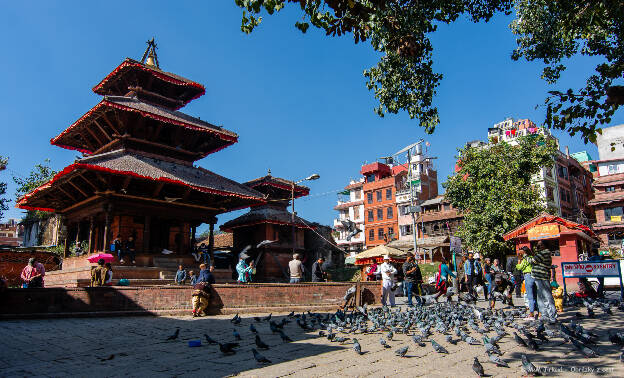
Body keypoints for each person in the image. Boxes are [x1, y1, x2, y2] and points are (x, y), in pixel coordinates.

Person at [529, 241, 557, 324]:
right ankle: (544, 315)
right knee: (540, 297)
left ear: (545, 246)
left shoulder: (545, 253)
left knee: (547, 296)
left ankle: (552, 316)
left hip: (543, 277)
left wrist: (526, 255)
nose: (539, 246)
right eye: (538, 245)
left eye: (541, 245)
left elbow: (532, 261)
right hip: (538, 277)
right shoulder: (541, 253)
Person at [517, 246, 538, 320]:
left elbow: (519, 267)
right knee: (536, 295)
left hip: (528, 276)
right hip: (535, 276)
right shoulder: (533, 257)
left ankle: (531, 314)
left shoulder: (525, 259)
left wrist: (519, 260)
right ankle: (539, 313)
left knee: (530, 297)